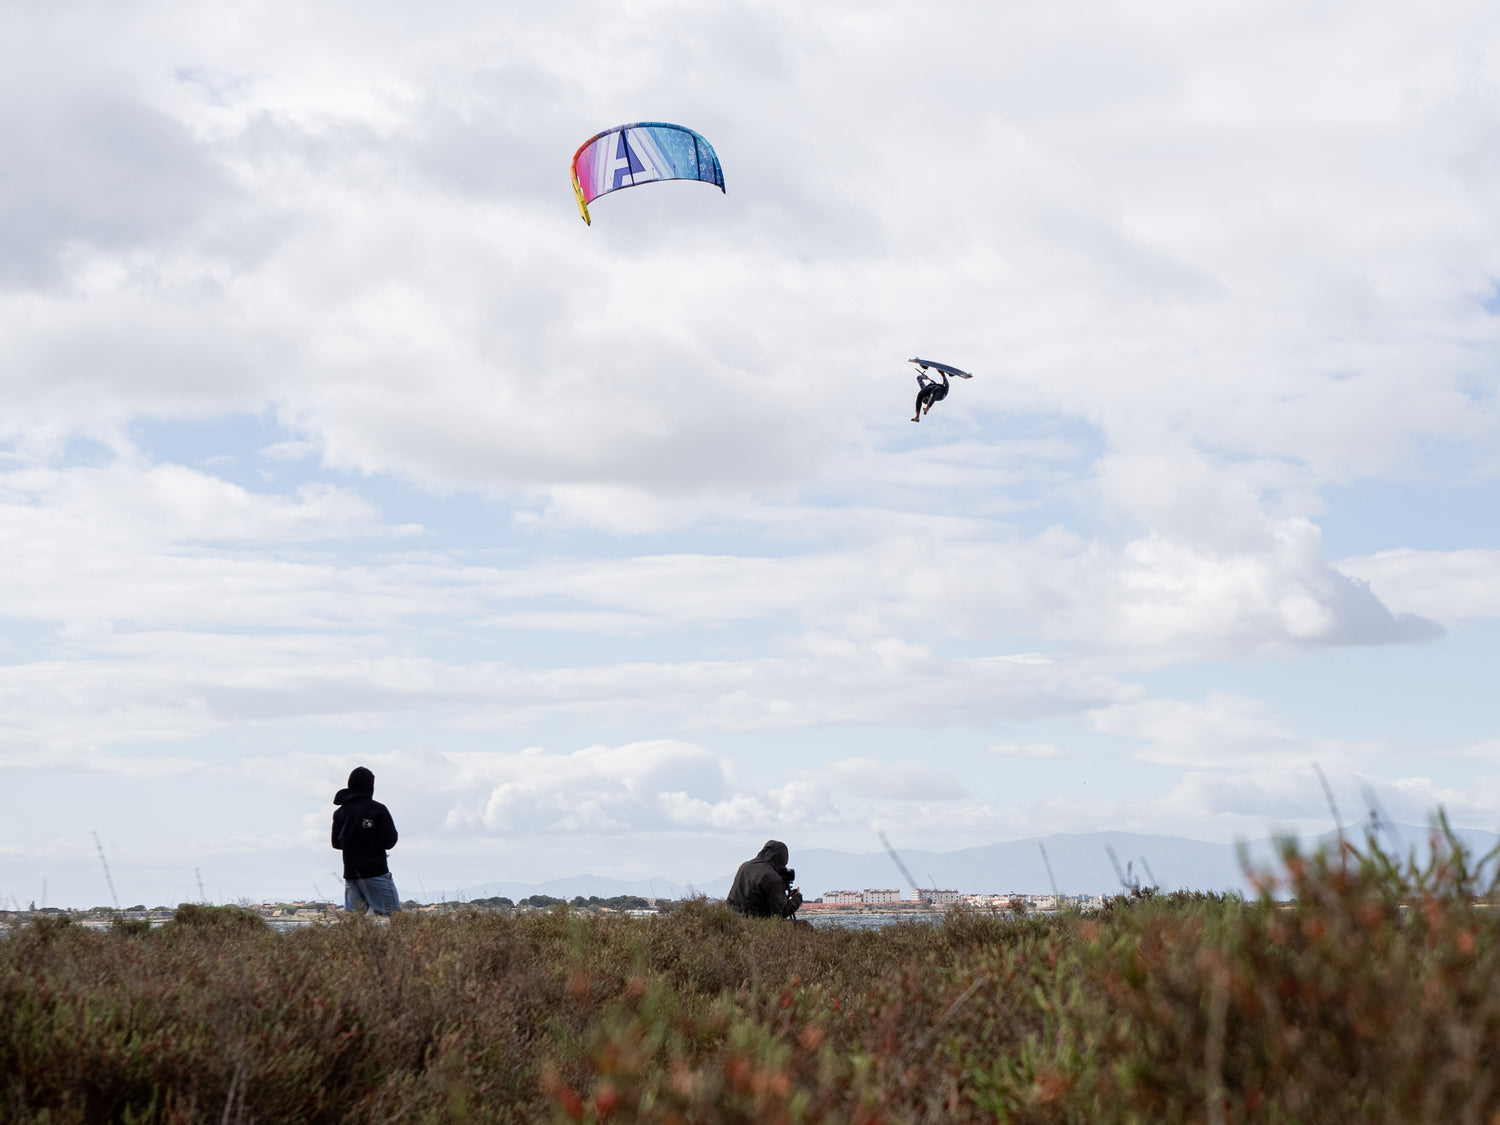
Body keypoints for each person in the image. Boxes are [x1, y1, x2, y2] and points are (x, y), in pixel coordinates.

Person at [332, 766, 402, 915]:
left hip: (351, 874)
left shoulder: (340, 812)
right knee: (397, 918)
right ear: (370, 786)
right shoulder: (377, 809)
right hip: (376, 871)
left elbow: (336, 843)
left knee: (354, 921)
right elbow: (390, 841)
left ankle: (355, 940)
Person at [726, 839, 803, 919]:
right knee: (803, 925)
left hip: (732, 919)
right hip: (756, 923)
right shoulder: (773, 878)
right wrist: (797, 897)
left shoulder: (744, 867)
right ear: (782, 858)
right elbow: (782, 912)